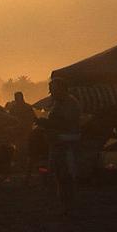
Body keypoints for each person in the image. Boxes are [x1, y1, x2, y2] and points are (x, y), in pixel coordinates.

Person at [35, 78, 81, 215]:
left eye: (54, 90)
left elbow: (65, 123)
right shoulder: (59, 103)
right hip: (57, 141)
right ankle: (64, 205)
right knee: (59, 176)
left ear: (62, 89)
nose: (52, 93)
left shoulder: (70, 103)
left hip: (66, 141)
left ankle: (69, 205)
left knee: (65, 175)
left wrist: (47, 124)